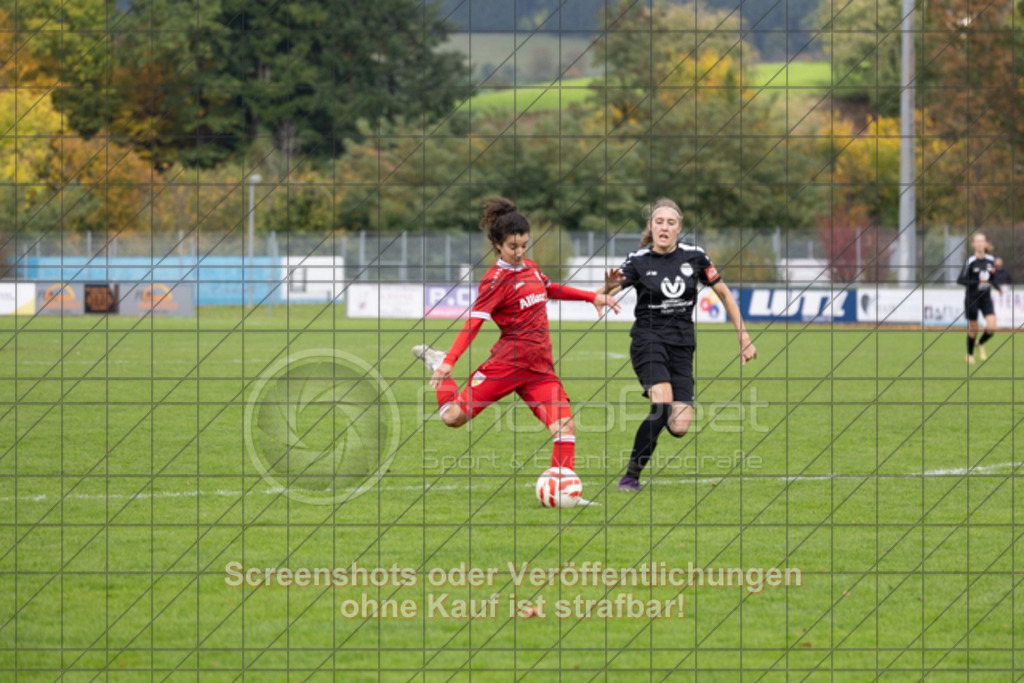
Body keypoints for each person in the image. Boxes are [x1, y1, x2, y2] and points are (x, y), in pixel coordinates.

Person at [413, 197, 621, 471]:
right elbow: (473, 323)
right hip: (506, 365)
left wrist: (591, 296)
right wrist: (450, 360)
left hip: (539, 369)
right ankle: (438, 363)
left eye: (524, 245)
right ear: (497, 245)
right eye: (513, 246)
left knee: (565, 428)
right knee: (453, 417)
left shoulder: (531, 268)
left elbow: (550, 288)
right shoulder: (494, 281)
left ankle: (563, 487)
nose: (520, 251)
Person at [602, 199, 756, 491]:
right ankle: (630, 477)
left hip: (683, 345)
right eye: (659, 222)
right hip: (648, 340)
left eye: (670, 223)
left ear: (679, 228)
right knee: (662, 406)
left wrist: (743, 337)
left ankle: (658, 405)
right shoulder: (637, 260)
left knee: (679, 425)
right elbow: (608, 289)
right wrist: (605, 289)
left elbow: (724, 294)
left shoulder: (695, 256)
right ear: (650, 227)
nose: (664, 227)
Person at [957, 232, 1001, 363]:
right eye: (977, 241)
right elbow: (960, 280)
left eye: (982, 241)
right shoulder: (970, 261)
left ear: (985, 244)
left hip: (985, 298)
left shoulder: (991, 260)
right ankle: (970, 355)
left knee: (992, 328)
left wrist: (998, 287)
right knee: (974, 329)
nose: (980, 243)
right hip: (972, 298)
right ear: (973, 244)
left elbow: (992, 278)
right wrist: (976, 282)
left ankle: (980, 343)